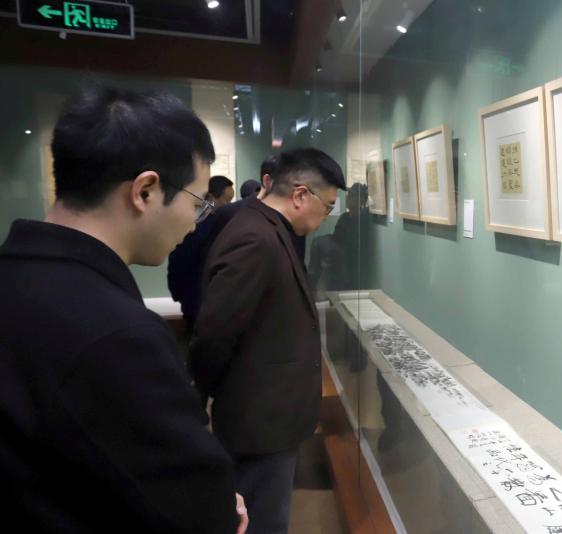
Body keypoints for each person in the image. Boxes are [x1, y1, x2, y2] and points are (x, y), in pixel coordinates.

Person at [0, 85, 247, 533]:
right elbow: (198, 507)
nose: (195, 223)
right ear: (145, 191)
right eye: (197, 202)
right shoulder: (119, 334)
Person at [190, 148, 346, 534]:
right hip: (258, 420)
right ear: (300, 195)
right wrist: (201, 398)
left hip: (267, 415)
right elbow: (215, 332)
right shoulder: (256, 237)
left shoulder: (267, 228)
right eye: (327, 207)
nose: (326, 217)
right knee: (260, 521)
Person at [167, 175, 233, 327]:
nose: (230, 205)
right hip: (197, 301)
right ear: (211, 198)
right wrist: (180, 294)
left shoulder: (219, 224)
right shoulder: (196, 227)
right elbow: (180, 262)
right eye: (227, 200)